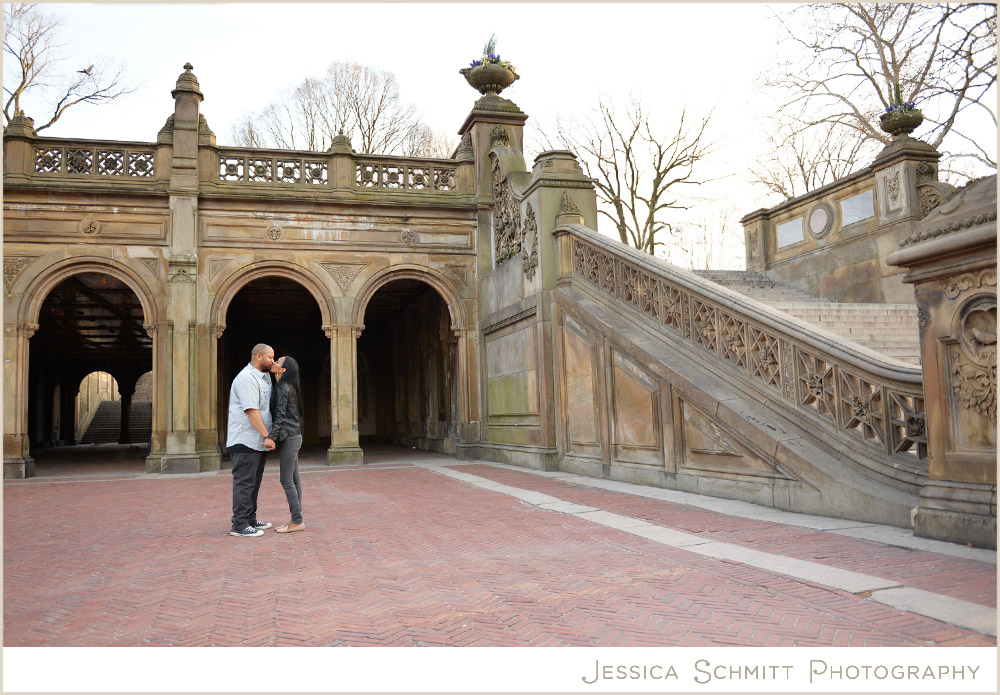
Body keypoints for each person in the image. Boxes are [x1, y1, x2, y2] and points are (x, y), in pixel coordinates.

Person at [226, 343, 276, 537]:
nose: (272, 360)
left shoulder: (264, 378)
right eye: (270, 357)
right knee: (245, 483)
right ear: (258, 356)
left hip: (256, 441)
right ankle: (239, 524)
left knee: (253, 482)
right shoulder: (247, 378)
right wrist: (266, 435)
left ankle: (249, 518)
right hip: (245, 440)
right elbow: (251, 410)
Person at [269, 355, 305, 533]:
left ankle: (297, 521)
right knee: (294, 480)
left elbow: (280, 416)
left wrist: (271, 438)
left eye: (278, 362)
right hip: (294, 436)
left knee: (286, 479)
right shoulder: (288, 386)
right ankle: (296, 519)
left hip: (290, 437)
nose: (274, 362)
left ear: (283, 370)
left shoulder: (283, 387)